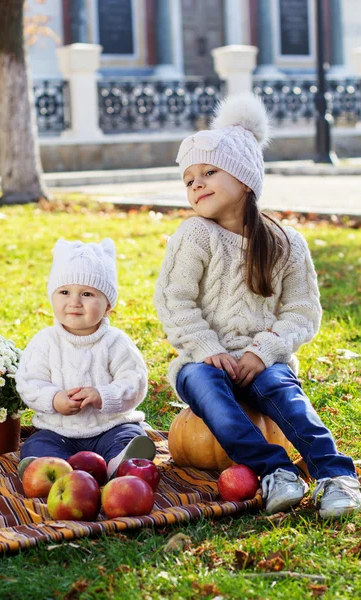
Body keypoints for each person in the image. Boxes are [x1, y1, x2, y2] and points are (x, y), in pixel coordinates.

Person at [153, 93, 361, 519]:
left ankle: (334, 475)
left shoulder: (285, 243)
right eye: (188, 178)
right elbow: (174, 300)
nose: (196, 184)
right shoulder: (194, 235)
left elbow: (302, 312)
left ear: (245, 179)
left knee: (288, 399)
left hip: (264, 360)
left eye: (208, 171)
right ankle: (275, 472)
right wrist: (207, 348)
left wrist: (262, 351)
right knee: (208, 392)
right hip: (205, 362)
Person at [16, 238, 155, 480]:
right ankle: (53, 470)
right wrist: (54, 399)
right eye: (65, 292)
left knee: (130, 436)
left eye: (87, 293)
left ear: (108, 304)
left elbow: (135, 382)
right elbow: (29, 382)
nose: (74, 302)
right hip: (58, 430)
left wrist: (103, 395)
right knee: (37, 445)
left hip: (110, 427)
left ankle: (119, 465)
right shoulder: (45, 341)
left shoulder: (115, 342)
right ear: (53, 296)